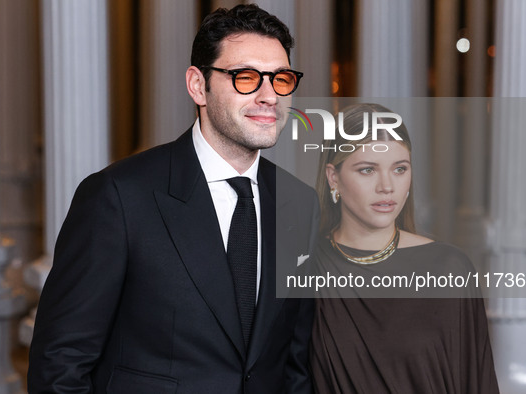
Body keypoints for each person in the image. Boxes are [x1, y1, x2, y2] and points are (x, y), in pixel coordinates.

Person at [28, 5, 319, 393]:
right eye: (246, 77)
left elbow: (294, 364)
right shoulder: (118, 196)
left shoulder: (300, 203)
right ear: (198, 85)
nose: (269, 96)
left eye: (281, 79)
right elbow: (59, 364)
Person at [309, 103, 499, 393]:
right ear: (334, 177)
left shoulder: (448, 267)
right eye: (367, 170)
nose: (387, 186)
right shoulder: (305, 267)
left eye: (399, 169)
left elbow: (476, 381)